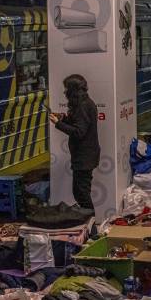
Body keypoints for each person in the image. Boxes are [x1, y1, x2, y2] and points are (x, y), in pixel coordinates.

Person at [49, 74, 100, 211]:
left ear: (73, 90)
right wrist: (64, 118)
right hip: (85, 155)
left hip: (84, 157)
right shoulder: (85, 103)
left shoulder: (83, 106)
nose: (64, 92)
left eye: (66, 89)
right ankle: (89, 223)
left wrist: (58, 124)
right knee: (81, 192)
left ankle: (90, 225)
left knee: (81, 194)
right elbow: (79, 124)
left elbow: (79, 132)